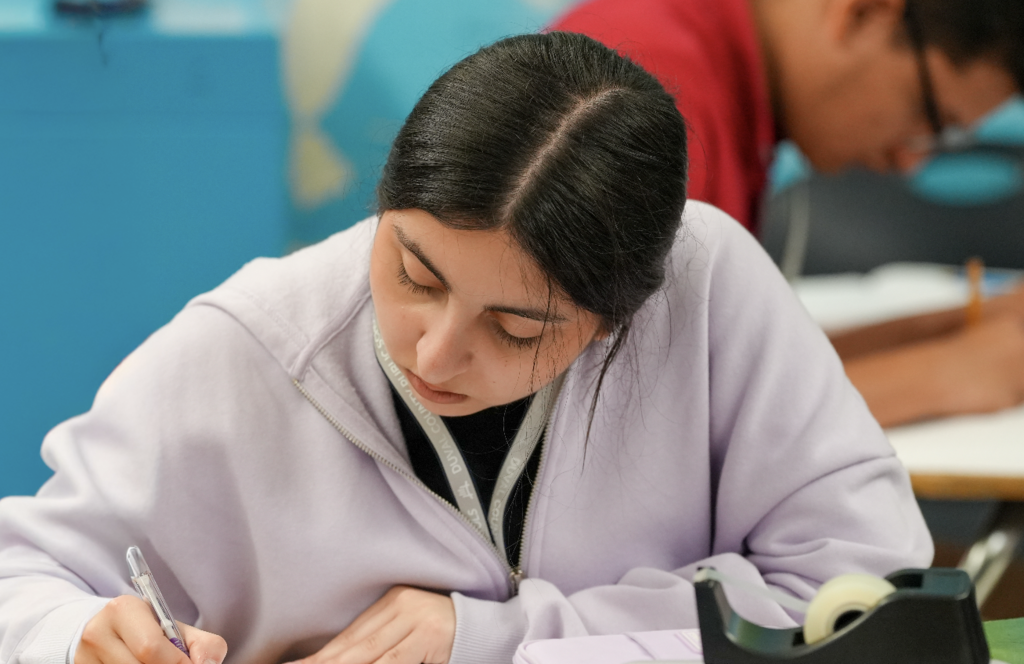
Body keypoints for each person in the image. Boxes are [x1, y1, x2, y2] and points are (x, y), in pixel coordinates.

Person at [0, 33, 930, 664]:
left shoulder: (709, 286)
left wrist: (496, 637)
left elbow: (870, 600)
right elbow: (18, 575)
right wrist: (77, 632)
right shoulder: (249, 345)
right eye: (414, 273)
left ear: (618, 318)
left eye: (517, 327)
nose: (436, 355)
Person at [552, 0, 1024, 428]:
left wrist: (954, 329)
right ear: (862, 13)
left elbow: (725, 371)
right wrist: (947, 376)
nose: (910, 159)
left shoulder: (714, 61)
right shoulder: (641, 88)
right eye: (931, 118)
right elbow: (632, 422)